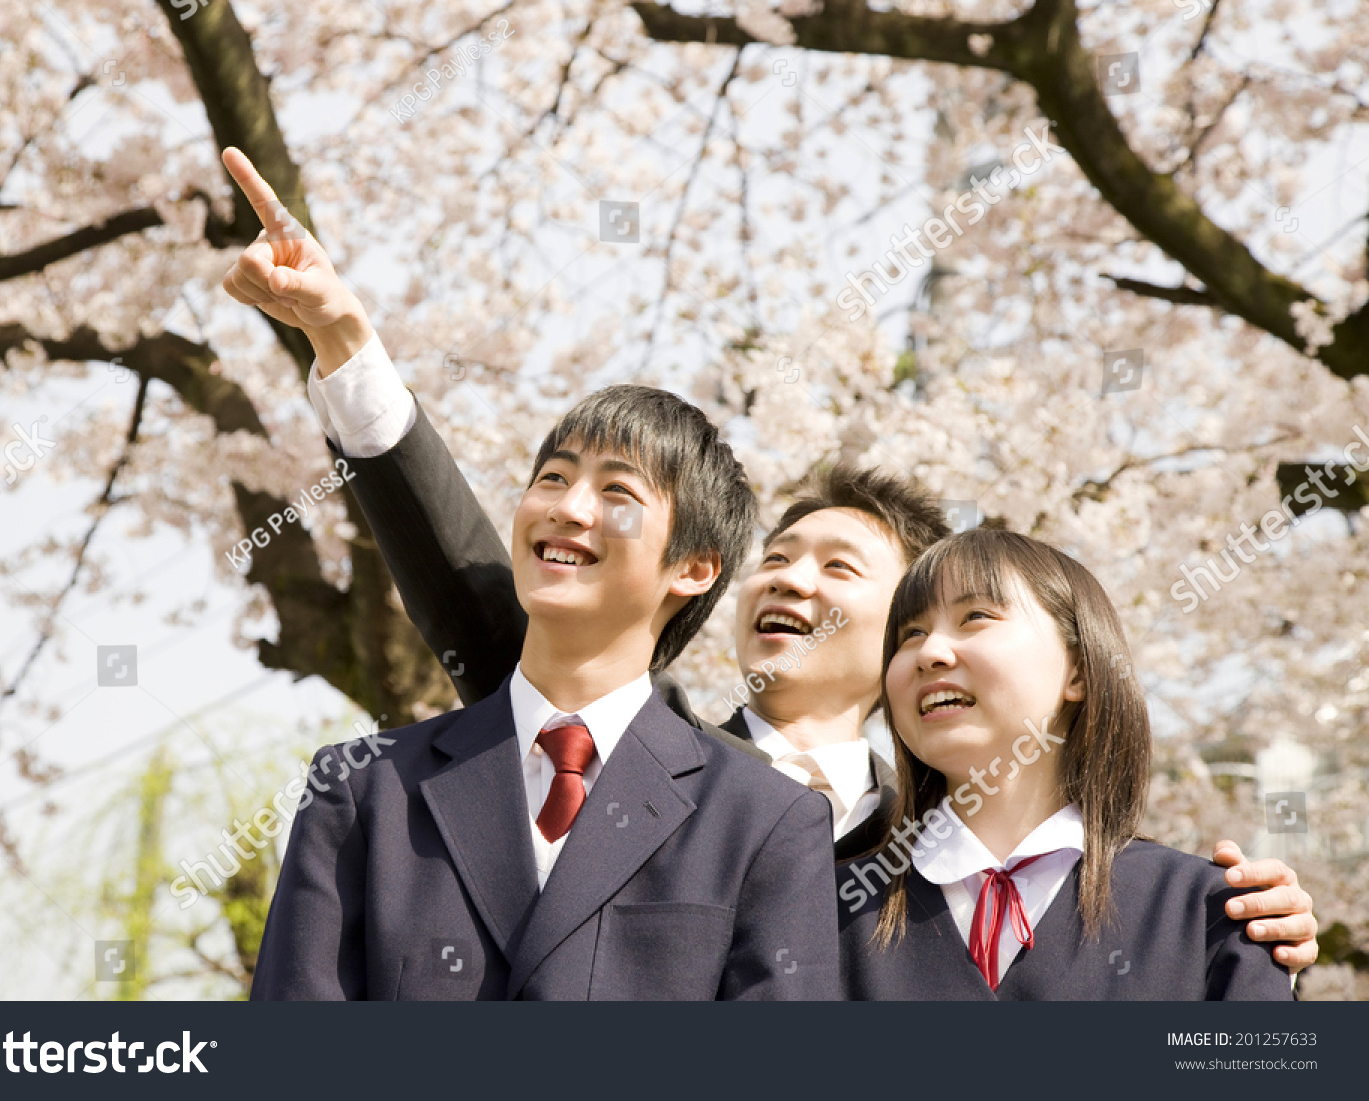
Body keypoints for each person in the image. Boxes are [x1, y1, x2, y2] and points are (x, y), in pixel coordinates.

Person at [217, 145, 1318, 977]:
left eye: (844, 569)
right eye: (780, 558)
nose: (790, 579)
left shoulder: (948, 856)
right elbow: (475, 578)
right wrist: (351, 357)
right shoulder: (631, 759)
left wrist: (1242, 927)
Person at [249, 373, 840, 997]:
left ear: (693, 568)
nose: (567, 507)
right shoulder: (365, 792)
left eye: (616, 490)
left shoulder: (764, 820)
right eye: (553, 478)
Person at [837, 530, 1291, 999]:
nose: (930, 653)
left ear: (1077, 671)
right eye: (911, 634)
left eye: (975, 617)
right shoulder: (828, 912)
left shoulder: (1209, 913)